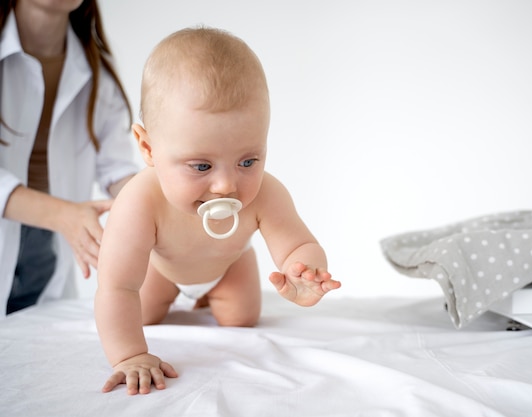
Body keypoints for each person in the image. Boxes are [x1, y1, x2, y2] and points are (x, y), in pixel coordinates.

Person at [94, 27, 342, 395]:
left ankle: (212, 294)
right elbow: (116, 286)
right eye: (201, 166)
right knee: (142, 313)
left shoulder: (266, 193)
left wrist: (303, 270)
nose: (227, 186)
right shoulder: (140, 201)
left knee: (240, 319)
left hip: (229, 266)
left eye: (247, 160)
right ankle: (176, 297)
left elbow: (297, 244)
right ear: (148, 148)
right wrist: (129, 355)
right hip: (161, 271)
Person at [0, 0, 138, 316]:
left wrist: (164, 210)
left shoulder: (97, 72)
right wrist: (64, 216)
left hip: (45, 252)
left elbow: (116, 168)